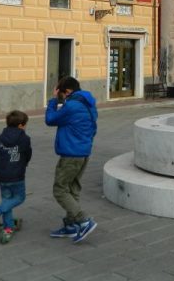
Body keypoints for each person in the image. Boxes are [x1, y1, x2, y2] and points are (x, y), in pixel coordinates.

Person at [45, 75, 98, 243]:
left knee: (60, 190)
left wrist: (53, 101)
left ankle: (84, 220)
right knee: (73, 189)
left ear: (67, 91)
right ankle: (70, 225)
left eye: (61, 93)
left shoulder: (72, 106)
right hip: (83, 152)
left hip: (71, 154)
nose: (60, 95)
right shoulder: (88, 103)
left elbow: (50, 119)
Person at [0, 110, 32, 244]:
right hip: (17, 175)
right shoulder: (24, 138)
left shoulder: (1, 137)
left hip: (2, 175)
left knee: (7, 199)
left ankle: (8, 227)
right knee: (19, 197)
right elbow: (27, 155)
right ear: (20, 126)